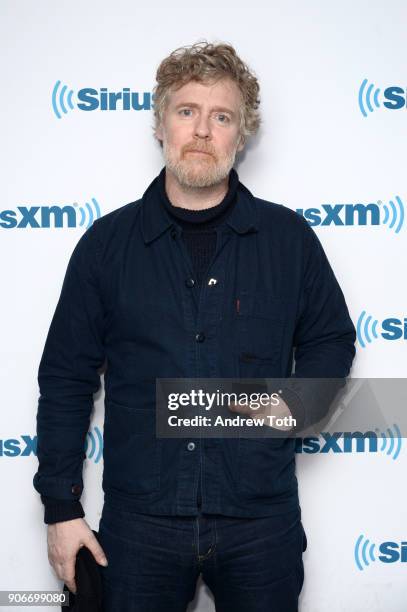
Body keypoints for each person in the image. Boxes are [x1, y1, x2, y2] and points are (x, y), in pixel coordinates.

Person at [33, 41, 356, 611]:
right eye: (187, 112)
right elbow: (65, 378)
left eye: (221, 116)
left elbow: (331, 338)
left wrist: (283, 416)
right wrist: (61, 508)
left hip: (261, 523)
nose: (202, 131)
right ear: (161, 125)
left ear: (241, 133)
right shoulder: (106, 248)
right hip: (139, 526)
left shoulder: (289, 242)